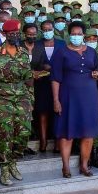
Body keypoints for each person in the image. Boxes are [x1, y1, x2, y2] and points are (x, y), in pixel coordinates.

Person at [0, 19, 35, 186]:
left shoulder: (23, 53)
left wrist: (31, 99)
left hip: (22, 98)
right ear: (5, 34)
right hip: (1, 98)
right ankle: (4, 169)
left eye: (17, 33)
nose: (15, 36)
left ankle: (13, 161)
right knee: (4, 135)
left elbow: (28, 79)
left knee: (23, 134)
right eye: (11, 33)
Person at [50, 21, 98, 177]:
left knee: (88, 133)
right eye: (73, 34)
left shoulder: (92, 52)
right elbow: (55, 78)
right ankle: (65, 167)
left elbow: (97, 69)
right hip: (68, 98)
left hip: (89, 99)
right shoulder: (61, 52)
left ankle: (84, 166)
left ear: (84, 35)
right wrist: (55, 100)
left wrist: (96, 73)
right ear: (68, 34)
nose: (76, 36)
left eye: (79, 34)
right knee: (68, 133)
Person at [31, 20, 64, 153]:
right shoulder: (37, 44)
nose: (47, 32)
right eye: (44, 30)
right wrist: (42, 67)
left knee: (57, 112)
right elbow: (32, 62)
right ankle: (43, 142)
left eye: (49, 29)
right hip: (42, 82)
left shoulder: (61, 43)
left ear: (53, 29)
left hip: (58, 82)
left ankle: (57, 142)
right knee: (42, 112)